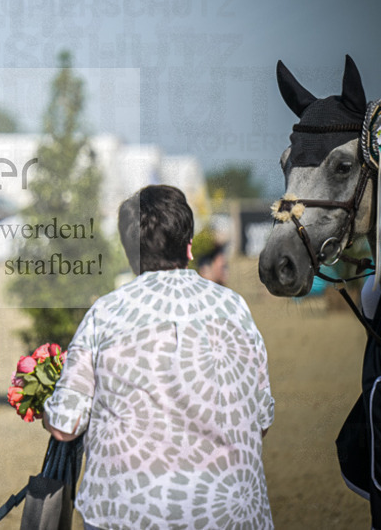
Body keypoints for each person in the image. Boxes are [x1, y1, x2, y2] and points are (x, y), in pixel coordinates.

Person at [43, 185, 274, 529]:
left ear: (129, 252)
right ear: (190, 246)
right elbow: (261, 418)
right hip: (231, 512)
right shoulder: (235, 308)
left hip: (128, 513)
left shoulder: (106, 313)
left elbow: (65, 425)